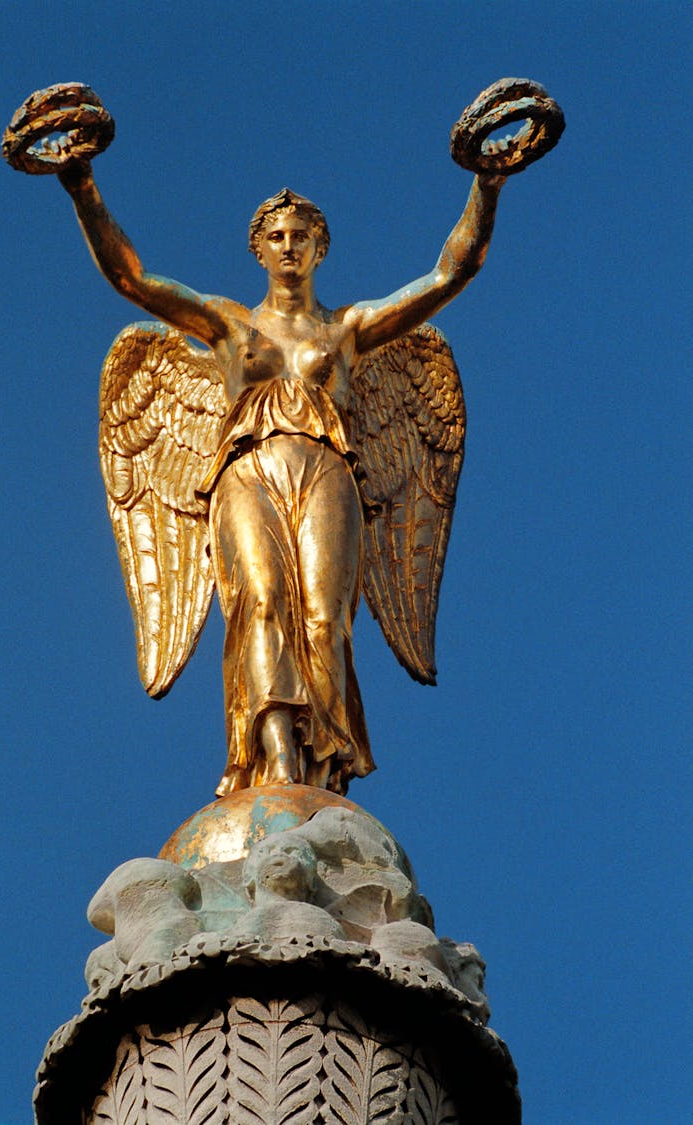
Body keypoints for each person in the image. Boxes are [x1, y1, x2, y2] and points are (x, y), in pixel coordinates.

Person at [57, 165, 504, 795]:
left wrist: (487, 183)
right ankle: (277, 764)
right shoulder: (228, 325)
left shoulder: (348, 330)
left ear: (320, 248)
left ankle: (322, 767)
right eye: (277, 236)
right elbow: (130, 277)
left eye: (301, 235)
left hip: (327, 468)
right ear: (258, 250)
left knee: (324, 617)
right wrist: (82, 185)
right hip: (246, 470)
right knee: (260, 602)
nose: (288, 246)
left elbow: (451, 273)